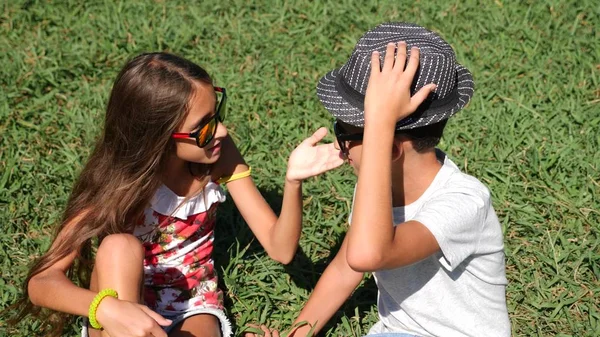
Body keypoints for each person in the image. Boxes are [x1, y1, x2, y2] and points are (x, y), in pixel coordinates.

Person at [11, 52, 344, 337]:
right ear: (158, 137)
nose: (222, 131)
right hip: (120, 300)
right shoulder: (116, 182)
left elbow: (281, 248)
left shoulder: (218, 152)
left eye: (218, 114)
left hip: (192, 301)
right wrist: (106, 307)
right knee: (118, 246)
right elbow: (42, 282)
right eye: (204, 126)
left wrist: (293, 182)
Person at [247, 22, 510, 337]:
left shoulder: (465, 202)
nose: (340, 149)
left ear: (390, 147)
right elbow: (347, 267)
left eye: (344, 135)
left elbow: (368, 255)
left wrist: (380, 123)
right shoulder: (377, 190)